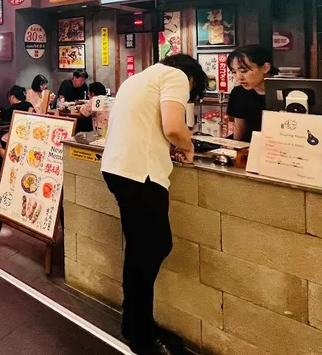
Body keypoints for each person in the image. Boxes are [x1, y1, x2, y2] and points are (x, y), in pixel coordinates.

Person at [101, 54, 206, 355]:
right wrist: (188, 147)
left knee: (142, 249)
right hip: (140, 174)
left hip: (119, 169)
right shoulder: (175, 77)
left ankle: (136, 322)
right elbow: (174, 127)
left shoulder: (136, 79)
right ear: (191, 78)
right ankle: (140, 334)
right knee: (153, 248)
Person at [227, 44, 276, 141]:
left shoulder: (285, 93)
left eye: (244, 71)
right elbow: (239, 129)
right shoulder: (239, 93)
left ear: (265, 68)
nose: (239, 77)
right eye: (234, 72)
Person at [0, 85, 34, 168]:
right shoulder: (29, 105)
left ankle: (11, 162)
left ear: (12, 97)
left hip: (17, 138)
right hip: (28, 136)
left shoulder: (13, 109)